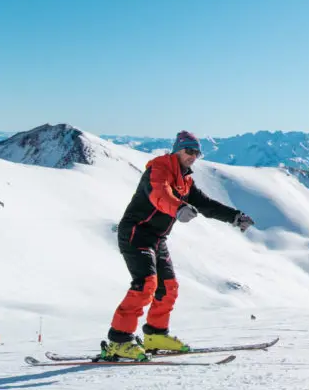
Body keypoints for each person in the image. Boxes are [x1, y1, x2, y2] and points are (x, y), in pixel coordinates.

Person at [103, 131, 255, 361]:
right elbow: (159, 192)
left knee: (169, 287)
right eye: (189, 151)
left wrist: (234, 216)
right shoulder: (160, 168)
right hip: (136, 232)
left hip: (157, 238)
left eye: (197, 152)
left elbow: (205, 203)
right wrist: (177, 208)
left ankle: (155, 334)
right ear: (177, 150)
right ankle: (119, 340)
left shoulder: (185, 180)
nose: (193, 156)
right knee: (146, 285)